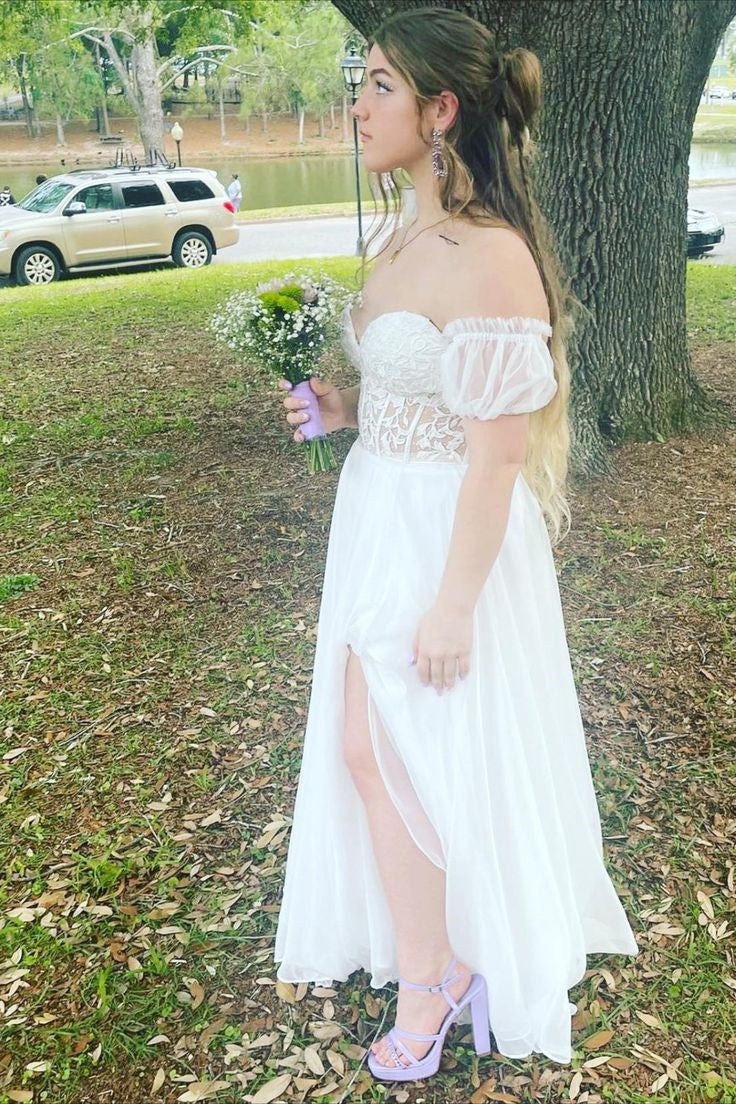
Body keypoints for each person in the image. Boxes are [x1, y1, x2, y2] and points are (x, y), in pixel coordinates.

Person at [274, 5, 639, 1086]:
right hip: (377, 513)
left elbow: (495, 454)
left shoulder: (491, 256)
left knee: (404, 750)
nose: (357, 106)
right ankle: (436, 958)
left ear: (440, 112)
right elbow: (418, 390)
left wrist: (452, 605)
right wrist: (342, 409)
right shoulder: (397, 238)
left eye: (379, 86)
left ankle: (436, 979)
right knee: (368, 749)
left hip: (448, 535)